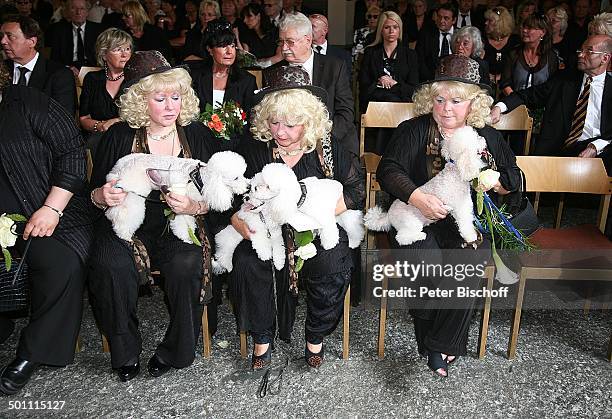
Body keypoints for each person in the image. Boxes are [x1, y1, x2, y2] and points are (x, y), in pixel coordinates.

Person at [377, 54, 521, 377]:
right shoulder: (413, 130)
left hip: (462, 223)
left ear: (474, 105)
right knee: (425, 260)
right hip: (414, 218)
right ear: (431, 100)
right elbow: (387, 171)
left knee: (470, 258)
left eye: (457, 101)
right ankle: (430, 339)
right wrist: (418, 197)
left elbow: (515, 177)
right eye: (440, 99)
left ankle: (438, 342)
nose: (446, 108)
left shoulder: (487, 137)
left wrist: (495, 181)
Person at [88, 50, 217, 382]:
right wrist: (103, 195)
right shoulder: (118, 137)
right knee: (109, 264)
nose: (171, 105)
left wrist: (194, 206)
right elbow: (92, 193)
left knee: (187, 265)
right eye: (160, 98)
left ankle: (176, 349)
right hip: (127, 224)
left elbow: (220, 197)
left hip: (180, 224)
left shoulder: (198, 136)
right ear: (140, 101)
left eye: (175, 96)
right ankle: (125, 349)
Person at [229, 65, 364, 369]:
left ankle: (315, 335)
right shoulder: (255, 148)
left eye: (291, 124)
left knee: (332, 261)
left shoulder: (326, 148)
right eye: (274, 122)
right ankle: (262, 337)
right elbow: (234, 193)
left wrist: (317, 215)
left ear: (308, 121)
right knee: (249, 263)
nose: (280, 132)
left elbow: (356, 189)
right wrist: (236, 220)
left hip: (317, 226)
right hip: (265, 229)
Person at [0, 60, 93, 395]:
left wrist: (51, 208)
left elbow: (71, 151)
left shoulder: (27, 101)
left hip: (44, 209)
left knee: (61, 262)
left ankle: (32, 352)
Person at [491, 34, 612, 165]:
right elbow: (528, 95)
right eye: (581, 50)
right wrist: (499, 106)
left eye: (589, 51)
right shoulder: (563, 81)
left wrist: (595, 146)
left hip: (597, 154)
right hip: (558, 151)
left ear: (605, 58)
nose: (581, 55)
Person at [265, 12, 358, 155]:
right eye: (281, 42)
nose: (283, 48)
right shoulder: (273, 73)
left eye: (290, 42)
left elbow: (345, 113)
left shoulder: (334, 67)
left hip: (332, 141)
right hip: (287, 146)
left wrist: (322, 141)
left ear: (308, 41)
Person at [1, 15, 77, 115]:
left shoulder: (60, 75)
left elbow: (63, 119)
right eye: (2, 36)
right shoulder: (3, 68)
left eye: (10, 36)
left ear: (32, 42)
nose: (3, 41)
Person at [79, 28, 133, 156]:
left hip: (129, 137)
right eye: (117, 49)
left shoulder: (137, 80)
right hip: (98, 137)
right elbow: (84, 118)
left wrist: (116, 122)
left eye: (127, 49)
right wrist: (101, 125)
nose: (124, 55)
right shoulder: (92, 79)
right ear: (104, 55)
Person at [191, 20, 257, 124]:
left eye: (232, 45)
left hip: (236, 138)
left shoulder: (247, 80)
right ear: (210, 49)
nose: (229, 51)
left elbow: (251, 120)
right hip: (200, 136)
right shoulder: (196, 77)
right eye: (223, 46)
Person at [359, 10, 419, 114]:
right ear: (381, 30)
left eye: (395, 27)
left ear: (400, 30)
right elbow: (364, 86)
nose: (391, 31)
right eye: (387, 27)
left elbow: (414, 90)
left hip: (401, 106)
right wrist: (379, 81)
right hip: (375, 106)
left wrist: (394, 83)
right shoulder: (370, 53)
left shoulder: (410, 55)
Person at [500, 13, 559, 95]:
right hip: (515, 104)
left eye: (530, 28)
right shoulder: (514, 54)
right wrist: (516, 102)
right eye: (524, 27)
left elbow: (553, 86)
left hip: (542, 105)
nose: (524, 30)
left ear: (543, 32)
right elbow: (505, 84)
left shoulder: (551, 57)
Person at [45, 0, 102, 72]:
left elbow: (103, 56)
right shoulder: (59, 31)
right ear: (68, 12)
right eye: (73, 8)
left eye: (82, 9)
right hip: (69, 69)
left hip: (93, 68)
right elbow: (54, 59)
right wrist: (67, 68)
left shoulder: (98, 30)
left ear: (87, 12)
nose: (78, 12)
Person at [416, 3, 458, 82]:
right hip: (430, 78)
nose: (441, 21)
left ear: (454, 20)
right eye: (439, 17)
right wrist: (430, 79)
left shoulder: (460, 34)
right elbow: (419, 59)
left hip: (455, 78)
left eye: (446, 18)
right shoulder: (426, 34)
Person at [482, 6, 520, 91]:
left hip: (511, 86)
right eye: (486, 20)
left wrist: (503, 77)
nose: (485, 23)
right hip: (486, 85)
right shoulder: (481, 40)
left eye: (490, 21)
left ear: (500, 23)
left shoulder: (515, 41)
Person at [309, 14, 352, 80]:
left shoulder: (342, 55)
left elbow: (345, 80)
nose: (308, 30)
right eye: (308, 27)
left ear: (325, 31)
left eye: (313, 26)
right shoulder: (303, 52)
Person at [547, 6, 574, 70]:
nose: (550, 23)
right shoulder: (541, 40)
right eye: (548, 20)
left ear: (562, 23)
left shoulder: (569, 42)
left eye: (554, 21)